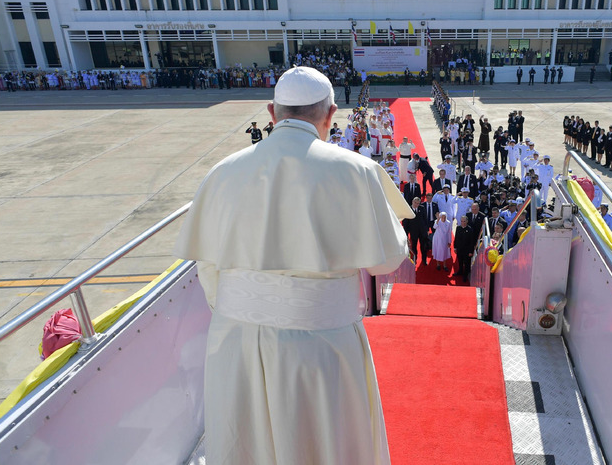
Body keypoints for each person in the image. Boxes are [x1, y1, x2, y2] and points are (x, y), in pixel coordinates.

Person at [173, 65, 412, 465]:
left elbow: (208, 268)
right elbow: (387, 260)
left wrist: (252, 308)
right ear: (330, 114)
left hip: (236, 341)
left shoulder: (223, 172)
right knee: (324, 445)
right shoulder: (356, 170)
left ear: (271, 112)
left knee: (246, 444)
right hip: (321, 346)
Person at [454, 215, 475, 280]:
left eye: (464, 221)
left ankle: (465, 275)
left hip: (467, 250)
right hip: (460, 249)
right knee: (460, 261)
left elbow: (472, 241)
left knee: (466, 263)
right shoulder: (458, 228)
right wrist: (455, 247)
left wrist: (471, 251)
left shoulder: (470, 229)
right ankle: (460, 271)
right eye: (462, 221)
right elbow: (456, 238)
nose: (463, 222)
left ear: (467, 221)